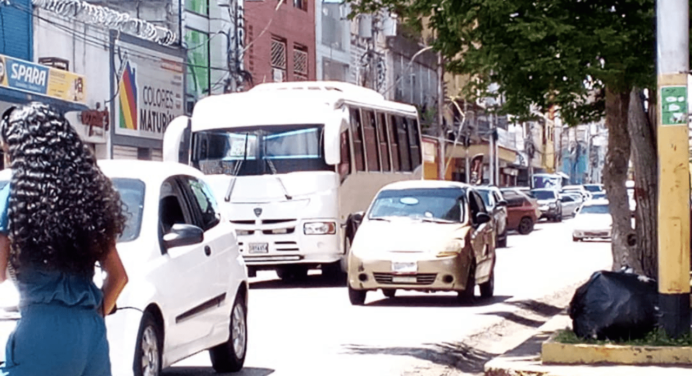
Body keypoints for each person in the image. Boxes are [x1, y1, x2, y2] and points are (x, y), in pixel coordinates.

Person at [0, 103, 128, 376]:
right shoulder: (88, 198)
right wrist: (92, 316)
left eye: (8, 151)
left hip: (41, 334)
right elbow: (119, 277)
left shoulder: (15, 198)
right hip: (91, 334)